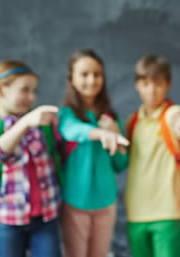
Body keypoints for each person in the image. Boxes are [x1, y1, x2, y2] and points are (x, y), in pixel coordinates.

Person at [58, 49, 129, 257]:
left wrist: (114, 134)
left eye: (97, 74)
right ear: (71, 78)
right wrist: (100, 133)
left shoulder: (110, 118)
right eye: (84, 74)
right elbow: (72, 131)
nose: (91, 80)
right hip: (75, 202)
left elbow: (121, 164)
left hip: (106, 203)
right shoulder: (66, 115)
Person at [125, 55, 180, 257]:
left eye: (157, 84)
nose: (151, 90)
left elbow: (178, 119)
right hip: (136, 213)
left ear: (168, 85)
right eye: (145, 84)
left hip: (168, 211)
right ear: (137, 85)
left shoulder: (172, 112)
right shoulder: (133, 121)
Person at [0, 60, 61, 257]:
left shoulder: (40, 124)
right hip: (8, 219)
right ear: (0, 89)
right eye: (25, 90)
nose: (31, 97)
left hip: (46, 216)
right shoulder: (5, 124)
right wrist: (24, 123)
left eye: (34, 91)